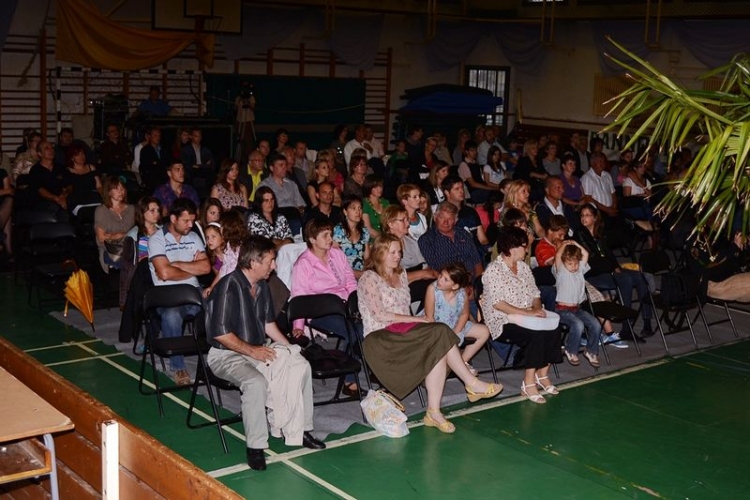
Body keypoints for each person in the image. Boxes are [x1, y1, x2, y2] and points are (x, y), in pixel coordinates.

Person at [359, 235, 501, 433]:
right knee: (440, 331)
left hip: (404, 331)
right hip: (381, 337)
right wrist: (418, 319)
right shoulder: (369, 278)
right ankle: (471, 382)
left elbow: (419, 278)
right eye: (392, 252)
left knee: (439, 344)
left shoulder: (400, 275)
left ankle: (433, 412)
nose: (398, 256)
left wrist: (426, 277)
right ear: (379, 252)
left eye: (399, 251)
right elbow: (379, 314)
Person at [206, 236, 325, 472]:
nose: (275, 266)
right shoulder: (226, 287)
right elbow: (220, 334)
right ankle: (256, 446)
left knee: (299, 365)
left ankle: (301, 430)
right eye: (271, 261)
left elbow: (269, 325)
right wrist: (253, 351)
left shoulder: (262, 287)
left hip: (257, 348)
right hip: (225, 354)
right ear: (254, 263)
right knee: (255, 382)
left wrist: (292, 348)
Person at [482, 226, 563, 404]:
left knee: (555, 329)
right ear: (512, 249)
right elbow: (498, 304)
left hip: (526, 315)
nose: (527, 250)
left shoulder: (524, 268)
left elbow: (535, 293)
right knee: (535, 335)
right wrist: (527, 312)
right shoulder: (493, 271)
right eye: (524, 246)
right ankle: (528, 382)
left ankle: (542, 374)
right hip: (502, 320)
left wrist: (536, 309)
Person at [290, 219, 363, 396]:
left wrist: (355, 303)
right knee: (354, 332)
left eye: (330, 234)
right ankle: (349, 380)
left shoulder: (337, 254)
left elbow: (350, 280)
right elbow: (299, 296)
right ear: (312, 239)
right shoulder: (304, 264)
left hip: (345, 306)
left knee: (366, 327)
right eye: (325, 235)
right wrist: (298, 326)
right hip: (320, 310)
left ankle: (366, 366)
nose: (330, 238)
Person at [148, 198, 210, 385]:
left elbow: (206, 268)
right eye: (186, 221)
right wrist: (192, 267)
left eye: (193, 220)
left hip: (194, 293)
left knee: (220, 306)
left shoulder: (193, 237)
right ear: (173, 218)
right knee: (171, 315)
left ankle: (221, 360)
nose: (191, 225)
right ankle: (178, 367)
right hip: (167, 298)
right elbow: (164, 273)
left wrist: (177, 265)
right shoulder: (156, 240)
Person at [574, 205, 653, 340]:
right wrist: (612, 267)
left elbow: (608, 254)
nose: (584, 218)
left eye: (587, 215)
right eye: (582, 215)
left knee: (641, 278)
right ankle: (626, 327)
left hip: (607, 270)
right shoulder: (579, 234)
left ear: (595, 217)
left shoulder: (600, 232)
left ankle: (647, 321)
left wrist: (615, 266)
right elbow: (593, 258)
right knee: (626, 279)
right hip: (593, 275)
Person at [423, 263, 490, 375]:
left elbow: (464, 314)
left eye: (445, 280)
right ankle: (460, 368)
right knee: (446, 342)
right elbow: (430, 317)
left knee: (484, 331)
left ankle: (462, 362)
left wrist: (456, 332)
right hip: (437, 328)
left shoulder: (462, 293)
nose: (440, 280)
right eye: (440, 276)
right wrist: (449, 337)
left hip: (456, 324)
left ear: (455, 286)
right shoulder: (432, 289)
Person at [553, 241, 602, 367]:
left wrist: (576, 244)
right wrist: (563, 244)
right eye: (570, 263)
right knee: (578, 325)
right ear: (564, 263)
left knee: (596, 324)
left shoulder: (580, 270)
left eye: (576, 263)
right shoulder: (561, 271)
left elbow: (585, 254)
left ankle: (591, 351)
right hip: (562, 309)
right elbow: (558, 256)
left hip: (577, 309)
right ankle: (570, 350)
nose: (574, 266)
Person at [418, 202, 483, 279]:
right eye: (442, 218)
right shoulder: (427, 240)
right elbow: (436, 269)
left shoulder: (463, 233)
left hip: (473, 278)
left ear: (456, 220)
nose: (446, 222)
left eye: (450, 219)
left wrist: (479, 281)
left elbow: (476, 260)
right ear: (435, 217)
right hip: (449, 283)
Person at [94, 176, 135, 273]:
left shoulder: (131, 209)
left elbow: (137, 230)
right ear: (108, 192)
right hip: (111, 250)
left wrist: (115, 235)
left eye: (122, 188)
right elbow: (101, 238)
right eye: (116, 189)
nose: (121, 191)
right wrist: (123, 235)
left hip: (130, 247)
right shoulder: (101, 211)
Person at [258, 153, 306, 236]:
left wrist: (301, 210)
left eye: (285, 165)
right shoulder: (264, 185)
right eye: (281, 165)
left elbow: (301, 204)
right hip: (276, 217)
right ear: (271, 168)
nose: (284, 168)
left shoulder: (292, 184)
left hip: (294, 216)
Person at [205, 210, 249, 297]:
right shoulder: (229, 246)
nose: (220, 228)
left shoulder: (241, 247)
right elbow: (224, 268)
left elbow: (234, 270)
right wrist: (212, 287)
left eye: (222, 226)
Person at [28, 141, 71, 220]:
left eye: (52, 148)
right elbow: (40, 190)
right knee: (57, 210)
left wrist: (65, 195)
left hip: (61, 199)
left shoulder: (60, 168)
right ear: (40, 154)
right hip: (42, 201)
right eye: (47, 148)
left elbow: (69, 185)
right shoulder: (35, 170)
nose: (51, 150)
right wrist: (56, 198)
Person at [332, 197, 370, 278]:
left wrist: (364, 272)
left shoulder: (364, 231)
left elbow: (367, 258)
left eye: (360, 208)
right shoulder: (338, 231)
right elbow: (334, 259)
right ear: (345, 211)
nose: (358, 211)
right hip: (343, 273)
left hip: (362, 273)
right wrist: (352, 273)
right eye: (354, 208)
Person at [64, 143, 102, 212]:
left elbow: (99, 186)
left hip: (93, 198)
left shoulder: (91, 167)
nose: (81, 157)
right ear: (72, 158)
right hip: (78, 200)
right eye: (77, 155)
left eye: (83, 154)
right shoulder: (67, 171)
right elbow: (68, 188)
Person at [139, 126, 169, 193]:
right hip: (152, 181)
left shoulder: (164, 149)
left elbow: (167, 163)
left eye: (159, 136)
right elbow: (145, 168)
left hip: (165, 179)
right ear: (149, 136)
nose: (158, 138)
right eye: (155, 135)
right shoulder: (145, 150)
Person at [361, 175, 389, 240]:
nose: (379, 189)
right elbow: (368, 229)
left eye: (381, 186)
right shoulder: (364, 204)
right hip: (372, 241)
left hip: (387, 238)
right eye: (376, 187)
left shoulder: (385, 202)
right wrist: (384, 238)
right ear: (369, 187)